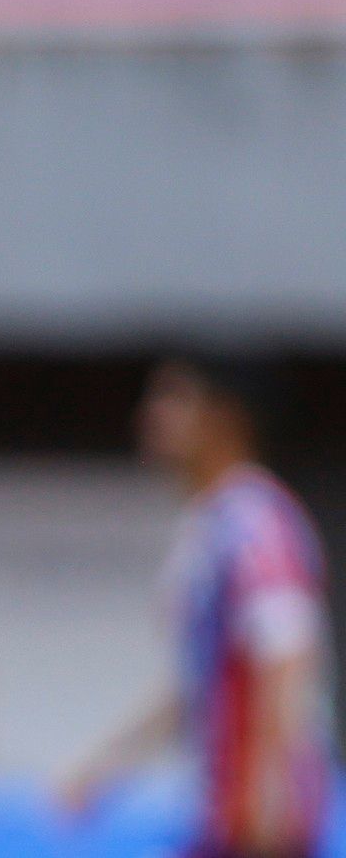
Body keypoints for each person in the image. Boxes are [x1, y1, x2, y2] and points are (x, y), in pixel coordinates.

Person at [62, 357, 334, 858]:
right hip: (225, 814)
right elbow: (202, 682)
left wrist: (268, 792)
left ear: (226, 418)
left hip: (257, 822)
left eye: (174, 400)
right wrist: (109, 766)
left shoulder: (255, 523)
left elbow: (288, 656)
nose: (152, 415)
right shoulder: (209, 524)